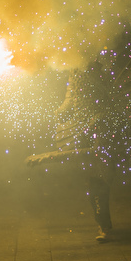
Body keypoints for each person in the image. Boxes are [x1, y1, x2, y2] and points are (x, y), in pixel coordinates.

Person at [26, 65, 115, 241]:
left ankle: (105, 228)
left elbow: (95, 152)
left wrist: (48, 156)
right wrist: (61, 109)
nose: (77, 98)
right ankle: (104, 225)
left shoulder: (101, 117)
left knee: (98, 191)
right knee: (93, 192)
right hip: (87, 148)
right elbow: (71, 94)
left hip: (102, 160)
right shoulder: (76, 67)